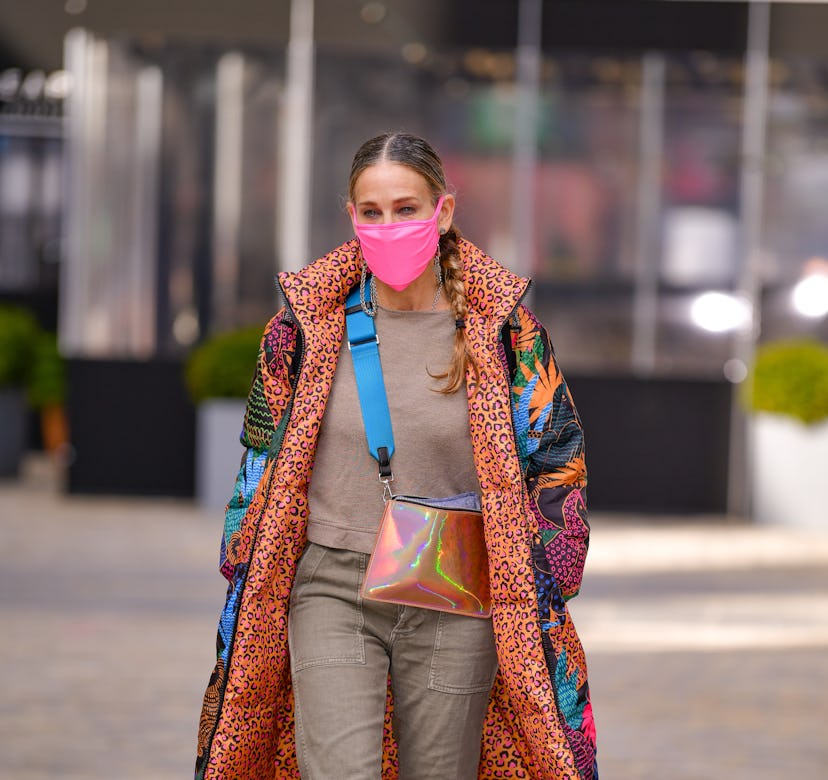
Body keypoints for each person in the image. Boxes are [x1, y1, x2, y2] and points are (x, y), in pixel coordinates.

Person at [195, 132, 597, 780]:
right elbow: (257, 462)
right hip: (330, 587)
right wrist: (243, 564)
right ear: (351, 217)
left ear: (443, 211)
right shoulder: (305, 328)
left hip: (454, 591)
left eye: (406, 208)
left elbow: (559, 464)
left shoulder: (504, 333)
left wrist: (543, 586)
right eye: (372, 212)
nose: (389, 226)